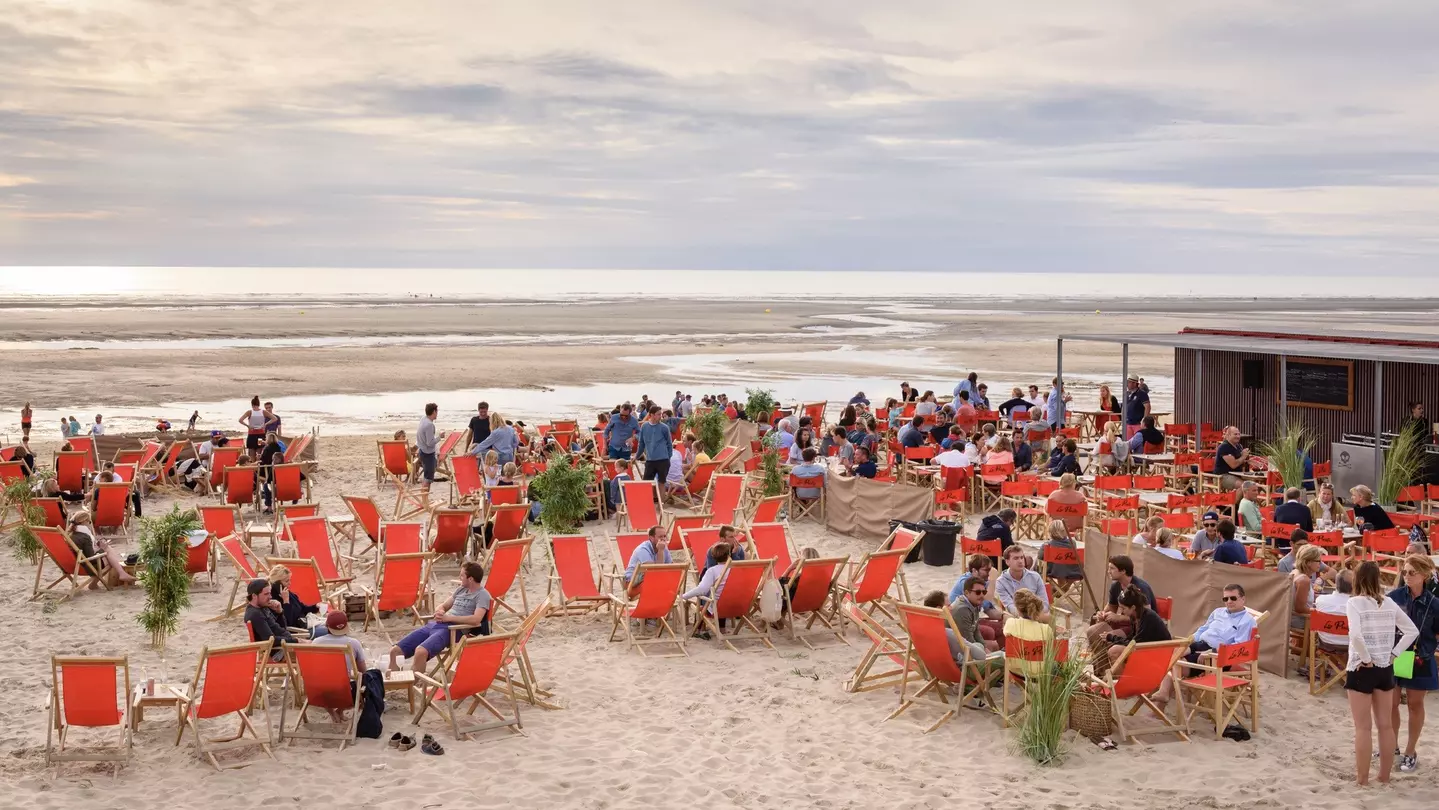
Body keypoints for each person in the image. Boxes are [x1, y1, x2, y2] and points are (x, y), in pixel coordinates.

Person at [1347, 560, 1419, 785]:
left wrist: (1366, 658)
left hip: (1362, 667)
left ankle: (1362, 779)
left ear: (1357, 579)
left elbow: (1356, 636)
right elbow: (1411, 631)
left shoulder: (1355, 603)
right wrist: (1394, 654)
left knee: (1363, 727)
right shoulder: (1388, 603)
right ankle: (1384, 777)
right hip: (1385, 667)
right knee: (1385, 725)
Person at [388, 561, 491, 675]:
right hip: (436, 624)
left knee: (421, 652)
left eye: (462, 575)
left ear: (470, 579)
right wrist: (440, 611)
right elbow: (444, 605)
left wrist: (449, 618)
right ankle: (393, 684)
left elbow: (476, 619)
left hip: (453, 630)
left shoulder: (482, 595)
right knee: (395, 651)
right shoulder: (461, 589)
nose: (459, 577)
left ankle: (412, 687)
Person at [1389, 554, 1438, 774]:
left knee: (1414, 705)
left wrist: (1428, 649)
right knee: (1390, 703)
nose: (1406, 576)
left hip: (1421, 658)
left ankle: (1411, 751)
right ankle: (1392, 746)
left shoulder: (1435, 603)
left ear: (1425, 575)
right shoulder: (1394, 597)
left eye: (1412, 572)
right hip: (1396, 654)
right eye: (1405, 572)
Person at [1104, 585, 1173, 685]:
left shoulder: (1148, 618)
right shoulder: (1135, 616)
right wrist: (1111, 638)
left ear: (1133, 607)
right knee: (1112, 646)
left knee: (1114, 651)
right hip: (1146, 649)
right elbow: (1133, 640)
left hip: (1159, 655)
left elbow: (1134, 644)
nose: (1122, 612)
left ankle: (1126, 684)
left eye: (1123, 608)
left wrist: (1112, 637)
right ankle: (1120, 682)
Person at [1085, 555, 1156, 650]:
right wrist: (1102, 614)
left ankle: (1115, 661)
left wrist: (1119, 618)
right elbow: (1111, 607)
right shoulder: (1115, 586)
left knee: (1107, 638)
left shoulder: (1140, 588)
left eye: (1112, 568)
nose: (1108, 571)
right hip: (1121, 624)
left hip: (1136, 628)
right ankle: (1102, 665)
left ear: (1123, 571)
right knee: (1092, 631)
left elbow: (1145, 618)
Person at [681, 542, 735, 639]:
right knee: (724, 596)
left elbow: (701, 590)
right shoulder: (736, 569)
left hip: (718, 608)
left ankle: (697, 630)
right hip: (737, 606)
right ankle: (722, 628)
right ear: (729, 555)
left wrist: (683, 596)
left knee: (704, 606)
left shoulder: (712, 571)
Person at [70, 510, 134, 586]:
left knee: (107, 551)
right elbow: (91, 557)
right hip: (85, 566)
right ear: (84, 521)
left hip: (72, 565)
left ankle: (120, 574)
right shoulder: (85, 537)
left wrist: (97, 545)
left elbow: (83, 549)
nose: (90, 524)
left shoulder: (71, 534)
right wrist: (102, 549)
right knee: (109, 555)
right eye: (90, 522)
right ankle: (121, 574)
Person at [244, 579, 299, 662]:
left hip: (284, 646)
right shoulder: (255, 614)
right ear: (254, 596)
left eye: (270, 593)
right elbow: (271, 640)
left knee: (318, 644)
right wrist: (297, 640)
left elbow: (282, 628)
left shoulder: (262, 607)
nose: (270, 597)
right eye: (266, 594)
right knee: (317, 652)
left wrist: (279, 612)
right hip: (279, 652)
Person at [949, 575, 1003, 655]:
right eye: (978, 592)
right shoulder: (962, 610)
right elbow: (968, 640)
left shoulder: (973, 603)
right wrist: (985, 653)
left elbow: (976, 630)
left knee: (995, 645)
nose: (982, 595)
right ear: (967, 593)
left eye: (984, 592)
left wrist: (984, 647)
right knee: (1001, 656)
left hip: (965, 645)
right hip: (959, 652)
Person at [1005, 589, 1055, 676]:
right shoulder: (1046, 629)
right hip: (1040, 673)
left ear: (1018, 609)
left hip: (1014, 670)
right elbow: (1051, 653)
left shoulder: (1010, 623)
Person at [994, 545, 1049, 622]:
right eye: (1016, 558)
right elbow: (1010, 606)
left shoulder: (1035, 577)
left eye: (1022, 557)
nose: (1020, 561)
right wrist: (1026, 617)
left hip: (1037, 616)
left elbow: (1045, 604)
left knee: (1048, 616)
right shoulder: (1001, 582)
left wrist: (1034, 615)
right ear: (1007, 561)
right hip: (1017, 618)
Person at [267, 563, 319, 631]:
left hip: (307, 623)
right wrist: (286, 601)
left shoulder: (288, 593)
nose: (290, 583)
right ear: (277, 584)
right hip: (300, 631)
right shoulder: (273, 601)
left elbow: (302, 608)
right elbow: (287, 622)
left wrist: (316, 607)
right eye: (287, 581)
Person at [622, 527, 672, 596]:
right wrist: (660, 551)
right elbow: (655, 572)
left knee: (672, 581)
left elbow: (671, 567)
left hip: (650, 581)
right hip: (632, 585)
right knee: (660, 583)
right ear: (651, 538)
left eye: (664, 536)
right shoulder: (642, 549)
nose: (663, 539)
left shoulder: (663, 547)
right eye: (660, 537)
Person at [1290, 544, 1324, 631]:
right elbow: (1300, 608)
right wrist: (1320, 611)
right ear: (1308, 562)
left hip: (1292, 617)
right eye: (1318, 561)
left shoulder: (1295, 572)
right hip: (1302, 620)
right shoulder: (1304, 580)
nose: (1320, 563)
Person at [636, 406, 673, 484]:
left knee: (661, 484)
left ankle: (661, 497)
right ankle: (651, 496)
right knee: (646, 484)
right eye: (658, 414)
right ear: (651, 415)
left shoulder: (664, 428)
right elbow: (641, 444)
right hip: (650, 460)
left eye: (661, 414)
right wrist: (636, 456)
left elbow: (669, 444)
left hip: (663, 460)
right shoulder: (644, 426)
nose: (661, 416)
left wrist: (668, 458)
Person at [1212, 425, 1251, 489]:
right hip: (1222, 477)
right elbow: (1233, 465)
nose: (1238, 436)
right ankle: (1235, 499)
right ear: (1228, 435)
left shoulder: (1239, 446)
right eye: (1235, 434)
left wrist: (1248, 461)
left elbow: (1240, 461)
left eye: (1239, 434)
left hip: (1237, 475)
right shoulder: (1224, 447)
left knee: (1254, 484)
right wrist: (1243, 456)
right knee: (1245, 486)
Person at [416, 402, 439, 491]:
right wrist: (439, 437)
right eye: (436, 411)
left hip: (422, 451)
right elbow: (430, 443)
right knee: (428, 478)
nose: (437, 414)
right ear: (434, 411)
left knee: (426, 476)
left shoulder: (423, 419)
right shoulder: (429, 425)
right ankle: (425, 500)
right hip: (428, 453)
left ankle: (424, 499)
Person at [1122, 374, 1150, 440]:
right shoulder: (1127, 393)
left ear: (1134, 383)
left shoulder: (1142, 394)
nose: (1127, 384)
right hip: (1128, 423)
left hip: (1138, 423)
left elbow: (1147, 407)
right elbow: (1124, 407)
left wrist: (1144, 420)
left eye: (1129, 382)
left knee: (1138, 443)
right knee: (1128, 443)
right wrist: (1123, 418)